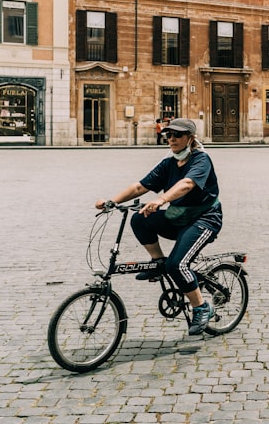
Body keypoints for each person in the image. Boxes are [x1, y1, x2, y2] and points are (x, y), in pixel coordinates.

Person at [94, 118, 221, 335]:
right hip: (178, 217)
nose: (171, 139)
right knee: (139, 218)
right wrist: (111, 202)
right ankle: (159, 261)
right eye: (168, 135)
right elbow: (140, 187)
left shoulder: (201, 160)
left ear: (190, 138)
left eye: (177, 135)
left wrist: (161, 200)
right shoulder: (169, 163)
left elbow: (187, 184)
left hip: (204, 220)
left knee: (178, 265)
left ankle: (201, 307)